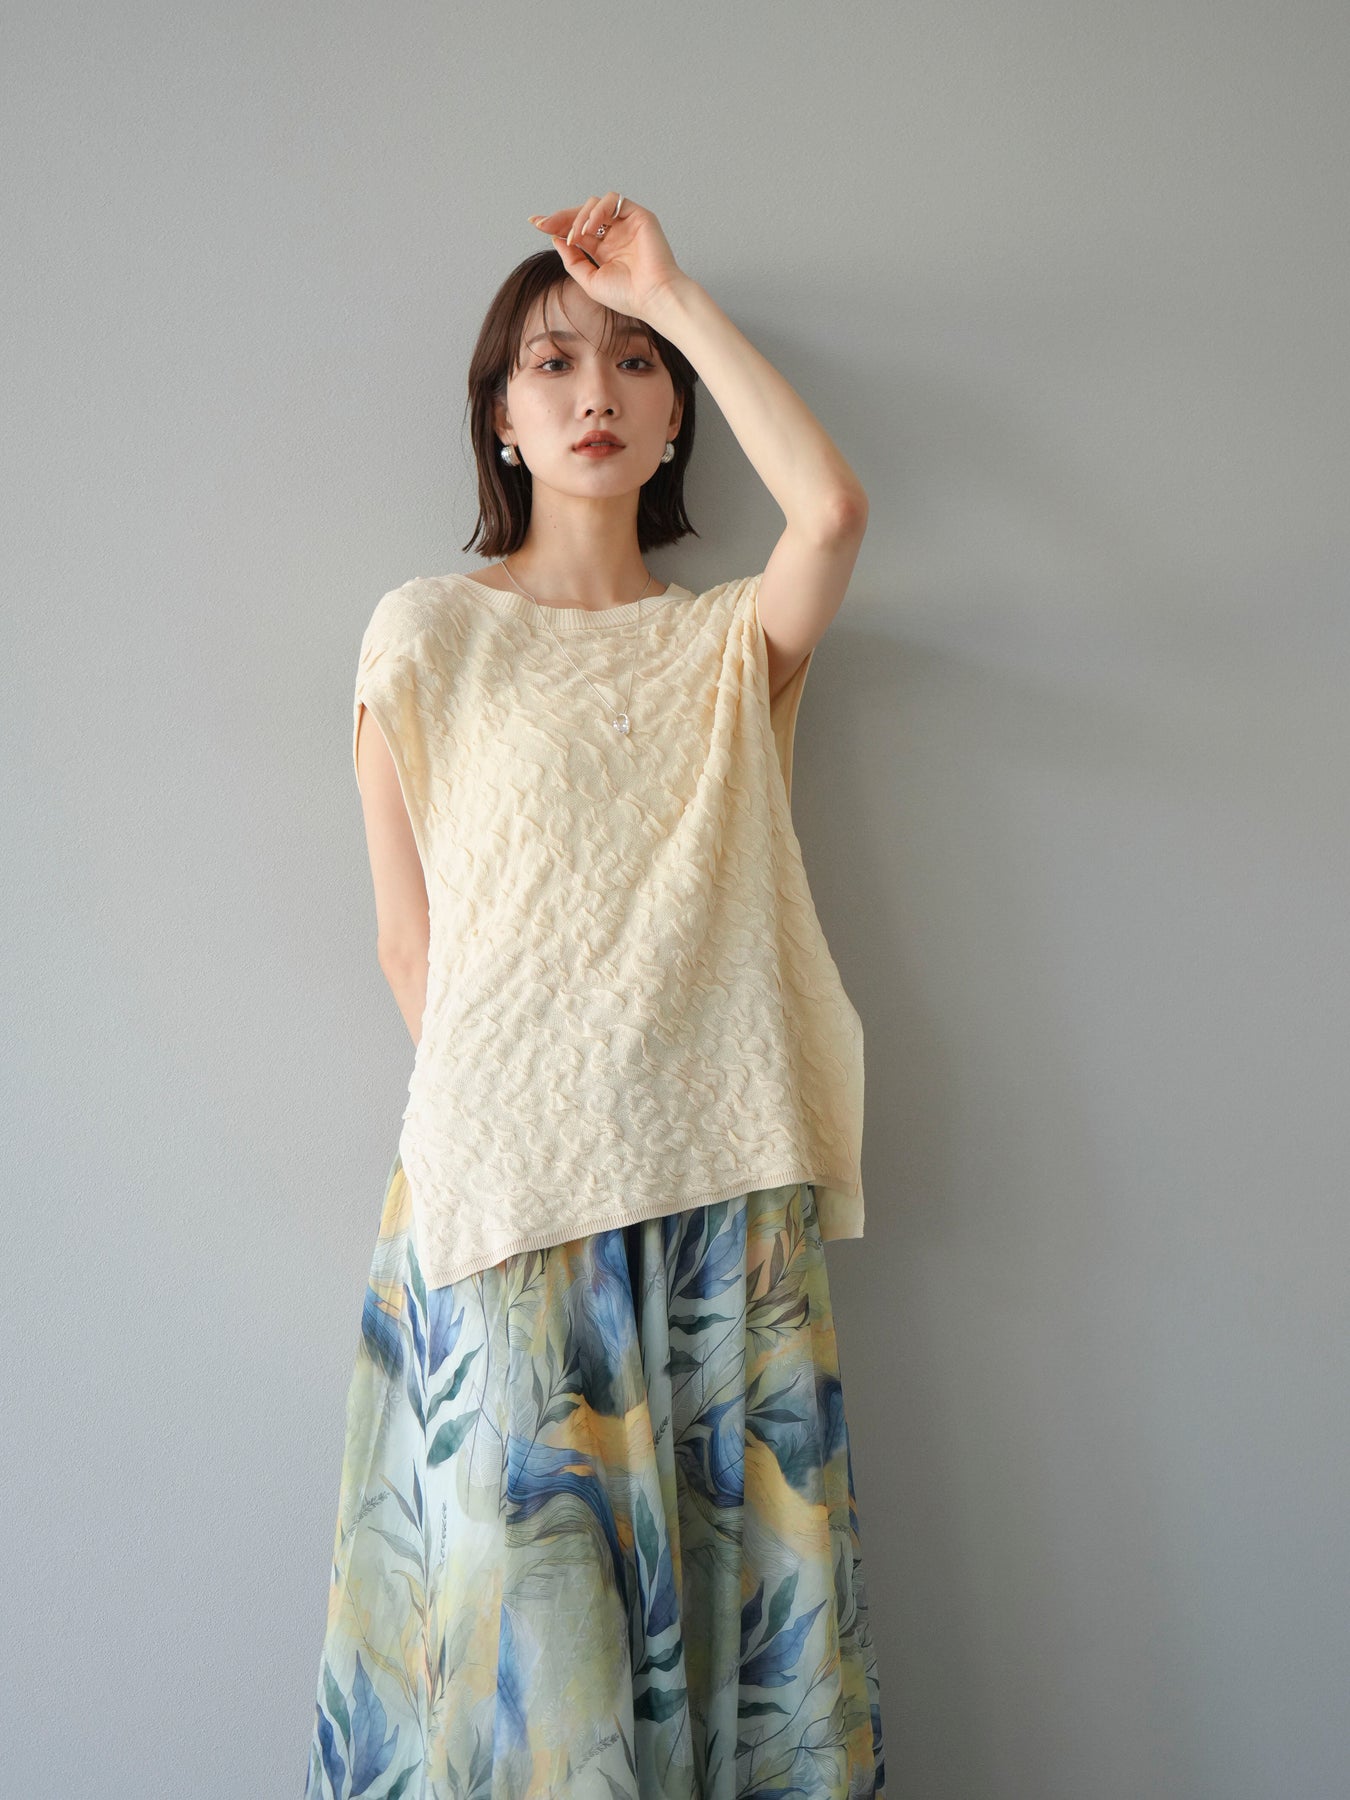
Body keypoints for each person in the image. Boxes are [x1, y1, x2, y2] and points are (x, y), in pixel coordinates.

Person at [303, 192, 886, 1800]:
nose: (595, 394)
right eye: (552, 363)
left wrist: (674, 294)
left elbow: (831, 513)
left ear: (674, 411)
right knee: (527, 1688)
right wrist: (535, 1138)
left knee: (744, 1642)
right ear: (498, 416)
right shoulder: (425, 633)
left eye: (632, 365)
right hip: (508, 1200)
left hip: (719, 1187)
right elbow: (407, 944)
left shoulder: (722, 645)